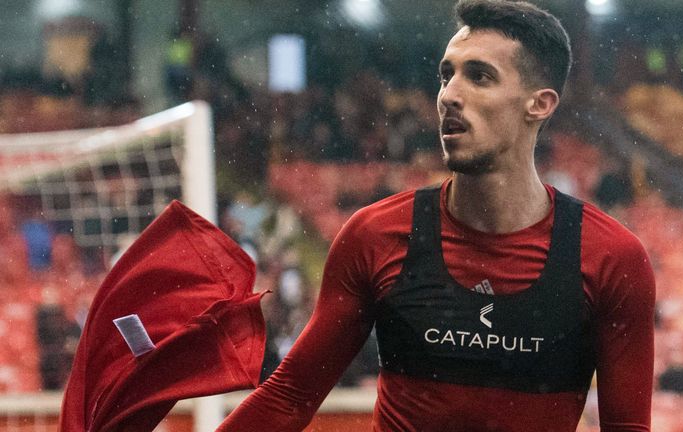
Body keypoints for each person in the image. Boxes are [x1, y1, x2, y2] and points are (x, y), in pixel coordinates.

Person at [219, 1, 656, 431]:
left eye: (480, 77)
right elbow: (289, 397)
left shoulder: (611, 258)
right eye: (446, 75)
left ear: (539, 104)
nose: (449, 95)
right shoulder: (375, 236)